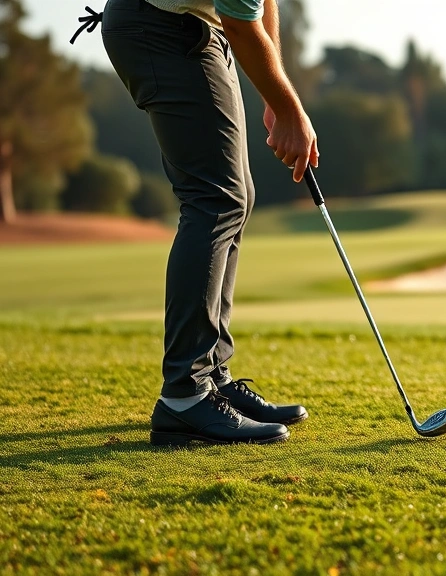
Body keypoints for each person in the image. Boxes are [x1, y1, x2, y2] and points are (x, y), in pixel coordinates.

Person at [72, 0, 316, 445]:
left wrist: (273, 94)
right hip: (159, 27)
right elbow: (243, 26)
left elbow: (263, 4)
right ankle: (185, 395)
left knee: (234, 197)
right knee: (214, 198)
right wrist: (288, 109)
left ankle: (212, 377)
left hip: (196, 29)